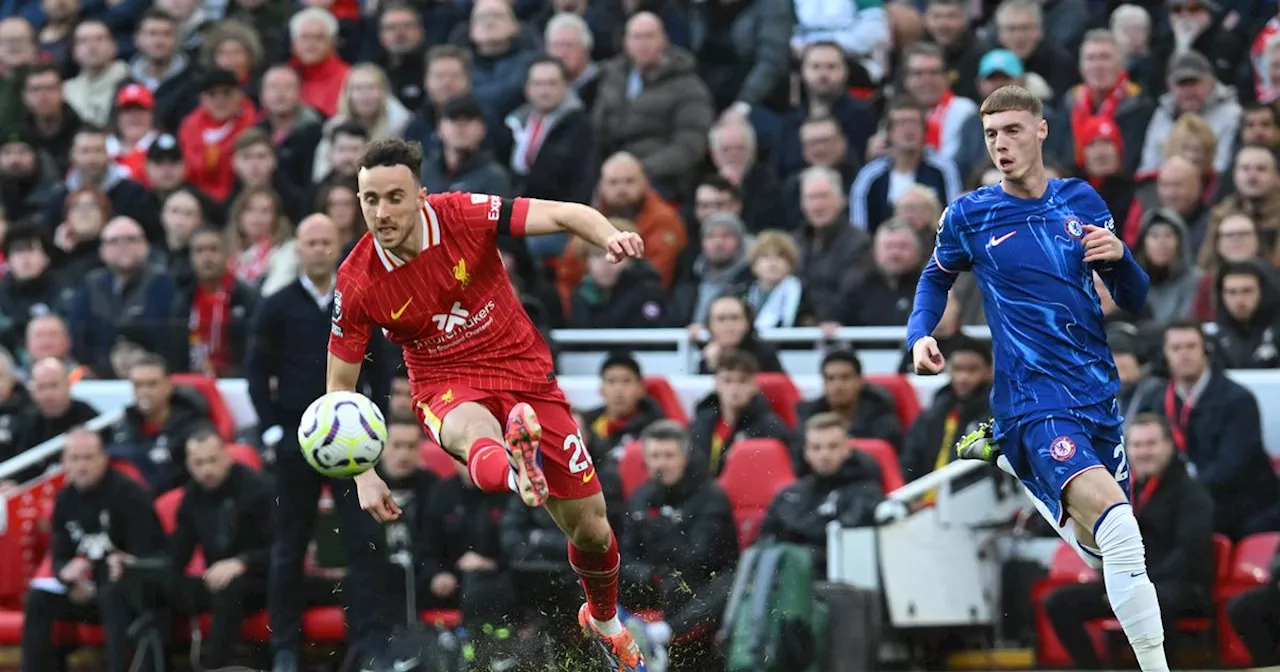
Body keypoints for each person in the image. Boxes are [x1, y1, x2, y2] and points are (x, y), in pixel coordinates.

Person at [328, 138, 648, 671]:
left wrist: (611, 235)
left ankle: (605, 620)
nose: (381, 212)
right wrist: (363, 473)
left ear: (422, 197)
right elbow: (339, 390)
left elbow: (565, 213)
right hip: (443, 381)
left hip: (525, 373)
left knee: (592, 529)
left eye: (393, 197)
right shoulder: (357, 280)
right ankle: (519, 473)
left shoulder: (463, 213)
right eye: (369, 199)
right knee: (472, 431)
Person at [905, 85, 1166, 671]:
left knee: (1105, 549)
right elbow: (933, 279)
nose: (1002, 144)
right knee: (1121, 531)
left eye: (1014, 131)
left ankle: (1006, 458)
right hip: (1033, 398)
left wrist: (1123, 257)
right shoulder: (971, 214)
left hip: (1096, 393)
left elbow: (1136, 299)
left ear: (1042, 131)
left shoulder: (1082, 200)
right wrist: (920, 334)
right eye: (992, 134)